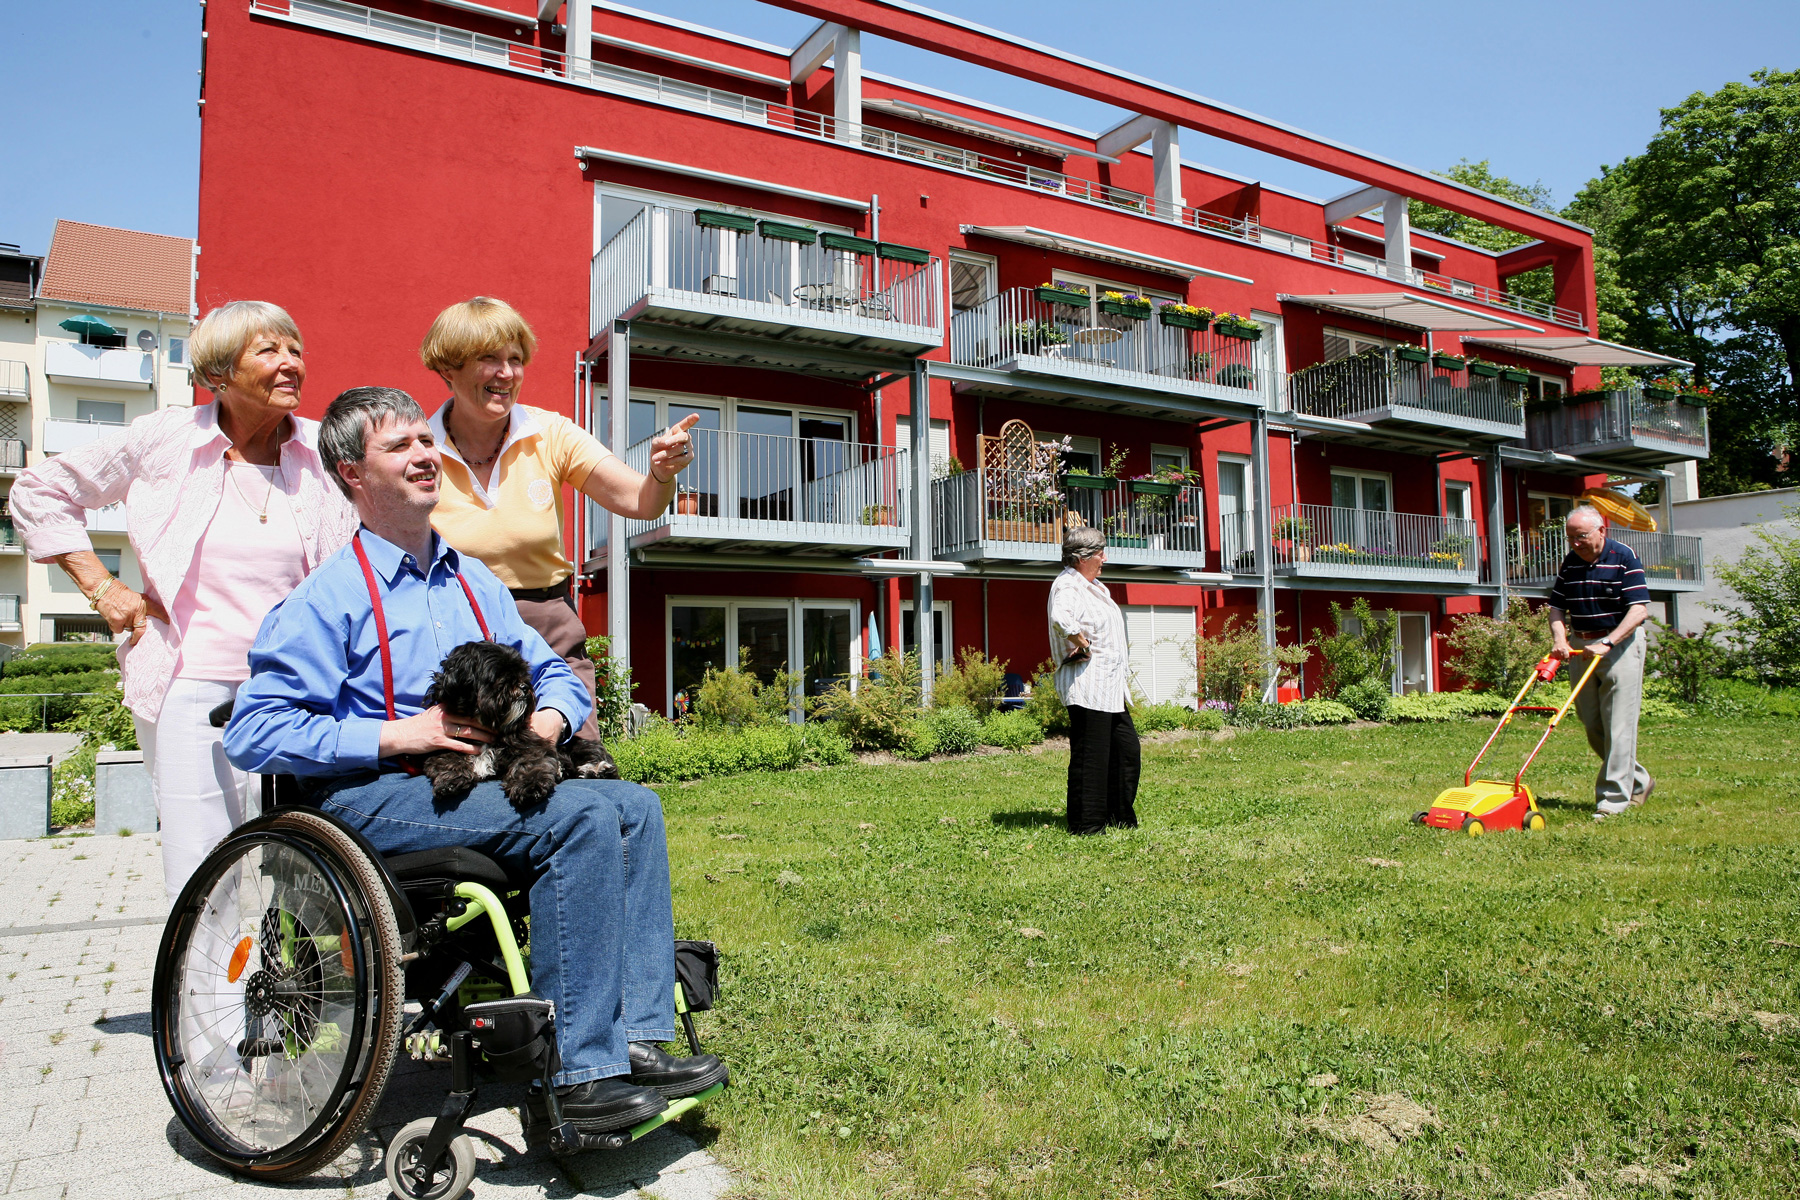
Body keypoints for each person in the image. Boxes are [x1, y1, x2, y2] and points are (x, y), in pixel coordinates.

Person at [223, 386, 723, 1138]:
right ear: (354, 474)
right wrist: (398, 735)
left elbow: (548, 668)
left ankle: (636, 1039)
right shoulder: (328, 599)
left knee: (635, 805)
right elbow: (252, 730)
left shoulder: (472, 581)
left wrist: (552, 719)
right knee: (584, 815)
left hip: (473, 782)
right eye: (402, 446)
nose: (428, 454)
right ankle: (578, 1077)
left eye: (428, 441)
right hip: (370, 797)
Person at [11, 301, 356, 901]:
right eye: (269, 351)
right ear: (221, 370)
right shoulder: (166, 439)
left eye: (295, 350)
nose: (290, 364)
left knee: (311, 862)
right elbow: (41, 489)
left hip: (304, 685)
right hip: (192, 680)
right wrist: (103, 587)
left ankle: (303, 991)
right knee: (204, 865)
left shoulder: (323, 451)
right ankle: (201, 997)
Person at [418, 298, 697, 742]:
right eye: (489, 358)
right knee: (476, 768)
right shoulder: (420, 449)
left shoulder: (550, 433)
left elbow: (640, 501)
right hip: (459, 632)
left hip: (547, 627)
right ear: (448, 368)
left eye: (515, 359)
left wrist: (660, 474)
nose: (506, 373)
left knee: (581, 762)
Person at [1547, 505, 1654, 820]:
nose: (1575, 543)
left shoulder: (1624, 557)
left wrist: (1608, 642)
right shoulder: (1571, 562)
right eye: (1570, 538)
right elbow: (1556, 607)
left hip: (1619, 644)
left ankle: (1613, 800)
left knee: (1618, 725)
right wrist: (1559, 640)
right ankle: (1640, 780)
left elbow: (1639, 610)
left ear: (1601, 531)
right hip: (1582, 645)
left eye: (1581, 536)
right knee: (1592, 722)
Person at [1048, 526, 1139, 835]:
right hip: (1088, 685)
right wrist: (1081, 643)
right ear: (1083, 557)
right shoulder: (1068, 586)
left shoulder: (1094, 586)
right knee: (1092, 759)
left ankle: (1119, 817)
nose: (1105, 558)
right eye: (1101, 553)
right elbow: (1062, 618)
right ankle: (1086, 825)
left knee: (1126, 752)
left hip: (1110, 688)